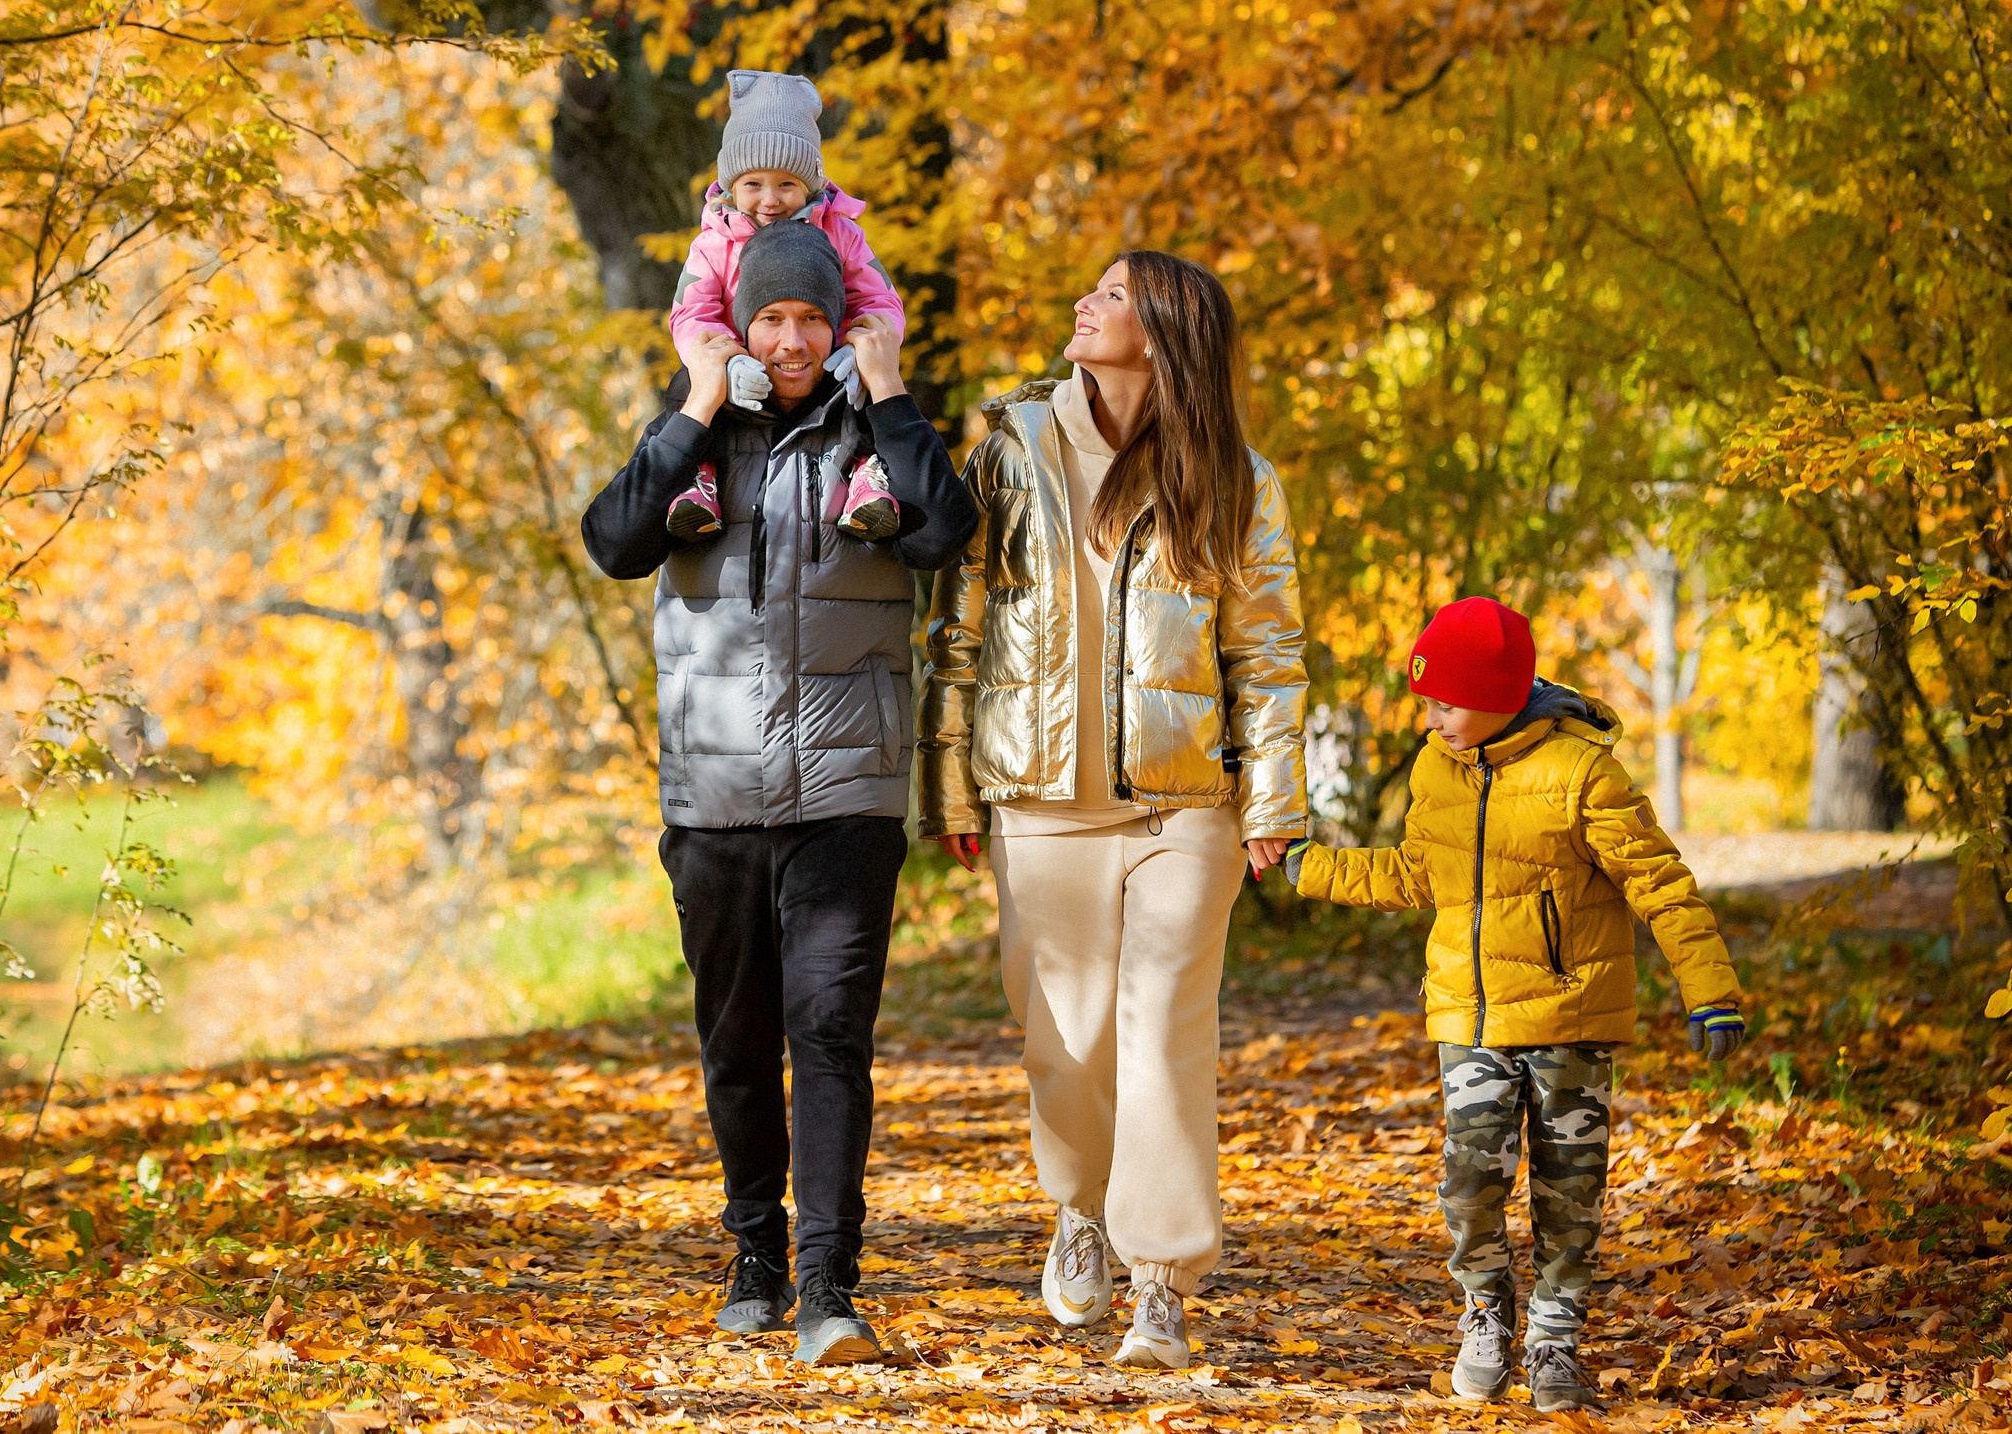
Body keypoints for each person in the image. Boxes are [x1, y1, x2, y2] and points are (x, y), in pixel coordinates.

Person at [581, 220, 978, 1367]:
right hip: (710, 799)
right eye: (771, 319)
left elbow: (945, 534)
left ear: (839, 323)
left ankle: (826, 1284)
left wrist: (891, 390)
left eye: (814, 317)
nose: (794, 339)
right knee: (737, 1043)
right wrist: (697, 401)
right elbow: (612, 542)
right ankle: (752, 1253)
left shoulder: (873, 433)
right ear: (740, 326)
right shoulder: (697, 437)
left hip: (846, 793)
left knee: (832, 1033)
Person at [919, 250, 1309, 1371]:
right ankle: (1079, 1208)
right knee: (1068, 1046)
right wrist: (947, 784)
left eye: (1112, 296)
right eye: (1087, 291)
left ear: (1166, 331)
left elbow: (1269, 652)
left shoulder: (1235, 477)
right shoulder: (1009, 451)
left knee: (1165, 1033)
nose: (1083, 306)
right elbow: (957, 631)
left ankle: (1161, 1278)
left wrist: (1273, 796)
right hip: (1039, 805)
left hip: (1185, 807)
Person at [1281, 596, 1747, 1410]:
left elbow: (1660, 885)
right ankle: (1486, 1313)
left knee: (1569, 1189)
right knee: (1471, 1177)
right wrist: (1309, 868)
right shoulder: (1438, 768)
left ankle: (1557, 1335)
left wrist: (1709, 988)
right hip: (1470, 1017)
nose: (1429, 719)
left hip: (1570, 1018)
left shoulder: (1584, 774)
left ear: (1499, 696)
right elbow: (1414, 872)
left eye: (1444, 702)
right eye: (1425, 701)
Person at [664, 68, 908, 543]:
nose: (770, 200)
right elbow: (691, 312)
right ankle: (701, 478)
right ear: (731, 185)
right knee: (686, 388)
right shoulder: (714, 243)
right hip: (745, 372)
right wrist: (723, 362)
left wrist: (862, 351)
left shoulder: (838, 232)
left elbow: (877, 297)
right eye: (753, 184)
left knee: (862, 403)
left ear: (811, 186)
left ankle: (866, 478)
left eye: (787, 185)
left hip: (818, 367)